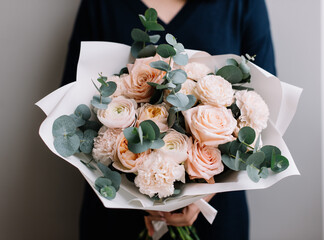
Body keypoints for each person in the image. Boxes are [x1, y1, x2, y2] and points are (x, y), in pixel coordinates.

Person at [61, 0, 276, 239]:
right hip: (117, 213)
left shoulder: (243, 4)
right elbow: (73, 106)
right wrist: (138, 191)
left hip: (214, 214)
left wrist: (199, 197)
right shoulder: (101, 5)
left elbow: (262, 105)